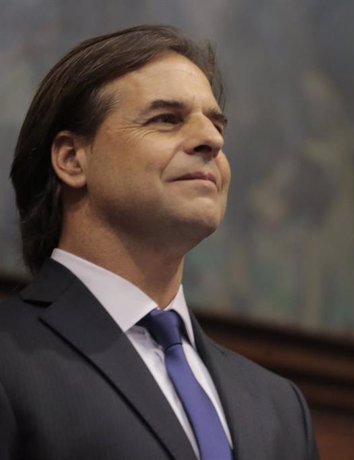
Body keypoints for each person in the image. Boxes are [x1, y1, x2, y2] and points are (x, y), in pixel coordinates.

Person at [0, 25, 319, 460]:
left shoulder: (278, 406)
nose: (212, 140)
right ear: (73, 160)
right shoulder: (10, 353)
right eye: (166, 119)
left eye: (216, 123)